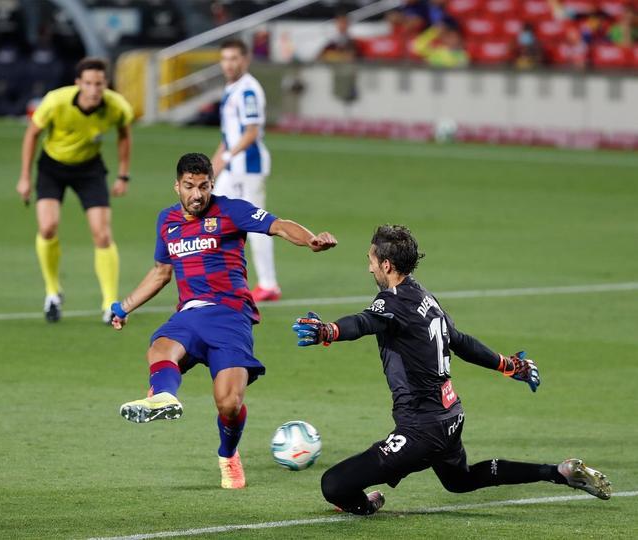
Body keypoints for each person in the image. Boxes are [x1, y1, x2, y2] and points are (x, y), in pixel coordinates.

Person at [292, 224, 611, 515]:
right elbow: (460, 341)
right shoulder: (425, 298)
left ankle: (366, 505)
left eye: (371, 260)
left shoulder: (391, 303)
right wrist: (508, 365)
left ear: (386, 265)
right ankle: (557, 472)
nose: (370, 266)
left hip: (420, 429)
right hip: (450, 417)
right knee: (460, 480)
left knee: (333, 485)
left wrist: (328, 330)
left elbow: (363, 322)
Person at [111, 152, 337, 489]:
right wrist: (124, 307)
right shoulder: (167, 221)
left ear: (212, 184)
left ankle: (228, 455)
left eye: (203, 186)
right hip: (189, 314)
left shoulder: (231, 210)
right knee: (160, 347)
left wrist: (311, 240)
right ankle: (162, 397)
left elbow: (277, 225)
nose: (197, 194)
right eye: (189, 186)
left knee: (229, 404)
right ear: (177, 186)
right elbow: (161, 273)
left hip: (230, 316)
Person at [16, 57, 134, 323]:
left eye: (99, 84)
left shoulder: (116, 106)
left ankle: (109, 303)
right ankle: (52, 292)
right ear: (78, 83)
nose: (94, 89)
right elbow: (32, 134)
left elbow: (124, 133)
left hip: (89, 169)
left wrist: (123, 175)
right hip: (52, 167)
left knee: (102, 234)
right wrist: (25, 177)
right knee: (47, 227)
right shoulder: (56, 102)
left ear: (106, 84)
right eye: (89, 83)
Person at [211, 39, 279, 303]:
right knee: (211, 216)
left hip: (247, 168)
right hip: (233, 167)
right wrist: (214, 166)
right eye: (225, 58)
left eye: (234, 58)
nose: (229, 64)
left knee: (256, 223)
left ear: (245, 60)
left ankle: (268, 283)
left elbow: (251, 132)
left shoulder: (248, 91)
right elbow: (229, 135)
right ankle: (221, 277)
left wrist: (226, 157)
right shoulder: (233, 88)